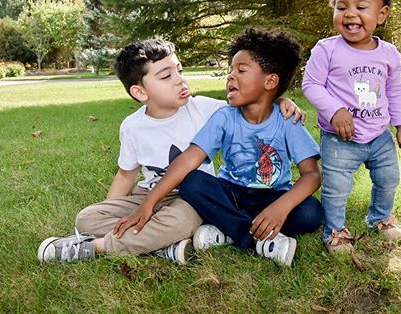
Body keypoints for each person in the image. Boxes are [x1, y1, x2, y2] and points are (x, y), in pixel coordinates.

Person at [37, 38, 304, 265]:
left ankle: (95, 248)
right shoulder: (132, 127)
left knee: (179, 221)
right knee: (86, 218)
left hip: (191, 199)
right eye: (166, 76)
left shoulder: (204, 109)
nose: (180, 80)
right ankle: (163, 247)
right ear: (140, 92)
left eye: (179, 70)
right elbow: (125, 176)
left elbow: (252, 101)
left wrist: (280, 99)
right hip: (149, 195)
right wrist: (119, 213)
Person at [117, 29, 323, 267]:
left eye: (241, 70)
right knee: (193, 181)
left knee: (311, 213)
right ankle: (253, 239)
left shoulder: (287, 120)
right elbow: (188, 159)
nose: (230, 76)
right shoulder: (224, 117)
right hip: (230, 193)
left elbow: (312, 174)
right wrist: (149, 202)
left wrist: (281, 208)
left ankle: (225, 229)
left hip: (272, 196)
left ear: (270, 81)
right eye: (231, 70)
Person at [302, 0, 401, 256]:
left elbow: (394, 91)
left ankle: (380, 219)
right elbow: (311, 84)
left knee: (389, 179)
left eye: (360, 7)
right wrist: (335, 110)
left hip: (379, 136)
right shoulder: (326, 49)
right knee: (337, 188)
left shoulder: (389, 54)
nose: (350, 13)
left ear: (381, 14)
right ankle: (336, 232)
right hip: (340, 140)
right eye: (342, 7)